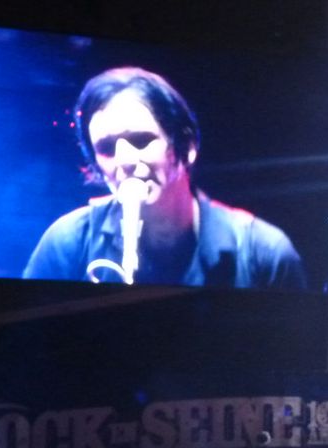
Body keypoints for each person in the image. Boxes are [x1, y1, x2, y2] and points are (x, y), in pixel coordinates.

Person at [23, 67, 306, 289]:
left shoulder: (264, 252)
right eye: (107, 148)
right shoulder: (67, 241)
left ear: (187, 146)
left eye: (141, 140)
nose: (124, 161)